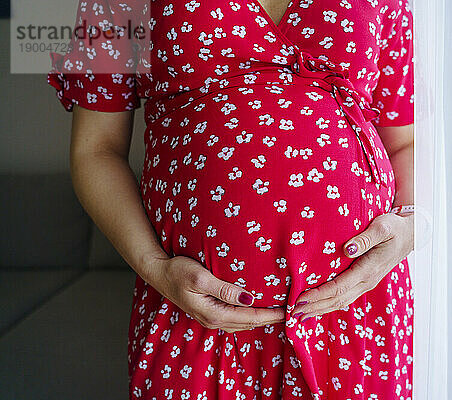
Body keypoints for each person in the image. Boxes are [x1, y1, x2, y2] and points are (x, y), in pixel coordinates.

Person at [47, 0, 415, 398]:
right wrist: (156, 269)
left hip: (355, 309)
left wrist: (411, 225)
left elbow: (404, 141)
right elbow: (95, 150)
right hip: (193, 315)